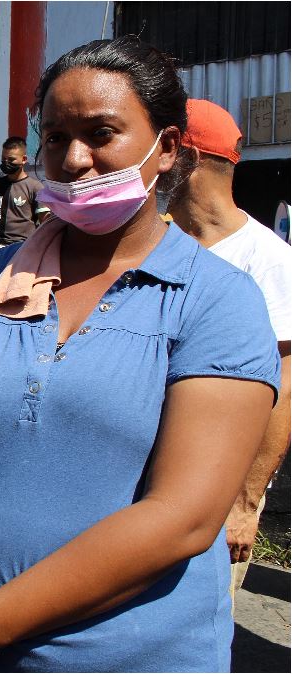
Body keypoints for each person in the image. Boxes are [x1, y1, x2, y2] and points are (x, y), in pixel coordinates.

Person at [0, 37, 280, 673]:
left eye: (102, 133)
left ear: (169, 149)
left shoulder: (217, 301)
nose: (73, 159)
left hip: (130, 657)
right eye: (55, 137)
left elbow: (183, 517)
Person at [166, 98, 292, 603]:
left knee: (198, 617)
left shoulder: (269, 261)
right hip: (146, 476)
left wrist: (246, 499)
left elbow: (283, 386)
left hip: (221, 483)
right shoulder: (156, 243)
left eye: (162, 149)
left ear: (187, 158)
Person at [0, 136, 50, 253]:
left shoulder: (35, 187)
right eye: (4, 159)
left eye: (11, 159)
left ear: (24, 159)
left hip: (22, 248)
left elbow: (45, 223)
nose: (6, 163)